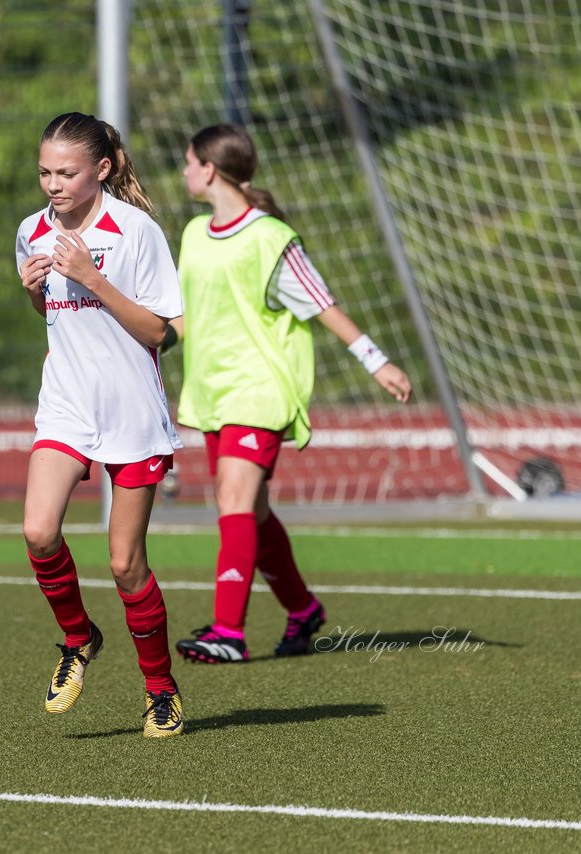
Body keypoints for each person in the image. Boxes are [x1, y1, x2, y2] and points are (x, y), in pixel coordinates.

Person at [169, 123, 412, 665]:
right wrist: (146, 345)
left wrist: (377, 361)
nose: (183, 171)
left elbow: (322, 303)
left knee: (232, 502)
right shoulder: (191, 234)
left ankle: (228, 633)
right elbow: (184, 318)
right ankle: (302, 610)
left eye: (188, 161)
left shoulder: (271, 237)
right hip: (212, 393)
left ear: (209, 169)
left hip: (260, 389)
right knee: (250, 512)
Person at [15, 112, 185, 736]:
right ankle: (78, 636)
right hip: (66, 403)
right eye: (44, 172)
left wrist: (92, 277)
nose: (52, 185)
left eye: (66, 173)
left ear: (102, 170)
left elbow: (159, 335)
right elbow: (54, 316)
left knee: (125, 565)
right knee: (38, 532)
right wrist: (36, 291)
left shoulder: (136, 231)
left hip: (132, 411)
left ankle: (160, 687)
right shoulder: (31, 230)